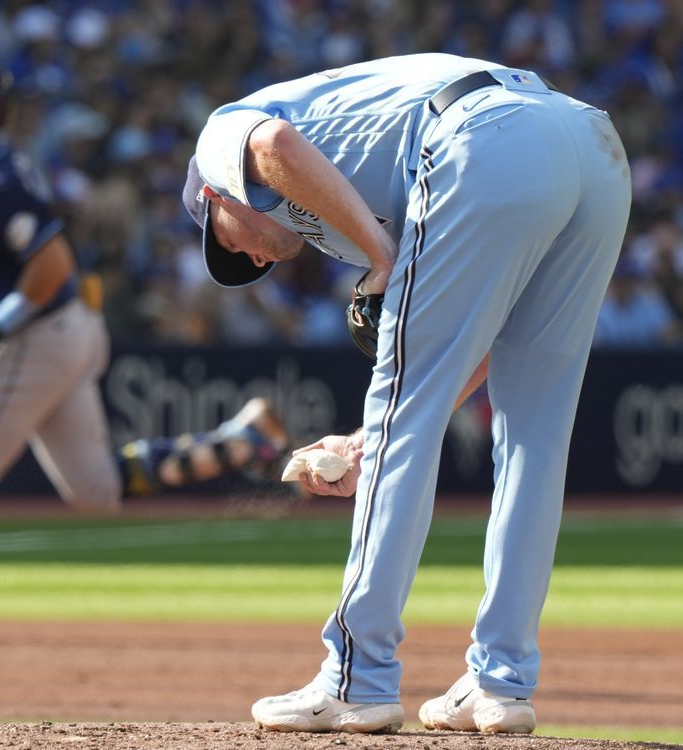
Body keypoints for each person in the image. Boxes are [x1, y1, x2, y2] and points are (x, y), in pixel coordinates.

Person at [182, 53, 631, 734]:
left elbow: (268, 143)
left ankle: (355, 678)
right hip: (589, 147)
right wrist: (371, 441)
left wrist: (382, 260)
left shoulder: (219, 142)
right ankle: (501, 683)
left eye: (227, 245)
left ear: (217, 198)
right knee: (534, 433)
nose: (248, 260)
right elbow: (484, 342)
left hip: (486, 135)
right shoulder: (335, 205)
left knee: (423, 419)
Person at [0, 55, 289, 680]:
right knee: (97, 491)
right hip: (64, 331)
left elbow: (51, 267)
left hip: (34, 336)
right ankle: (237, 443)